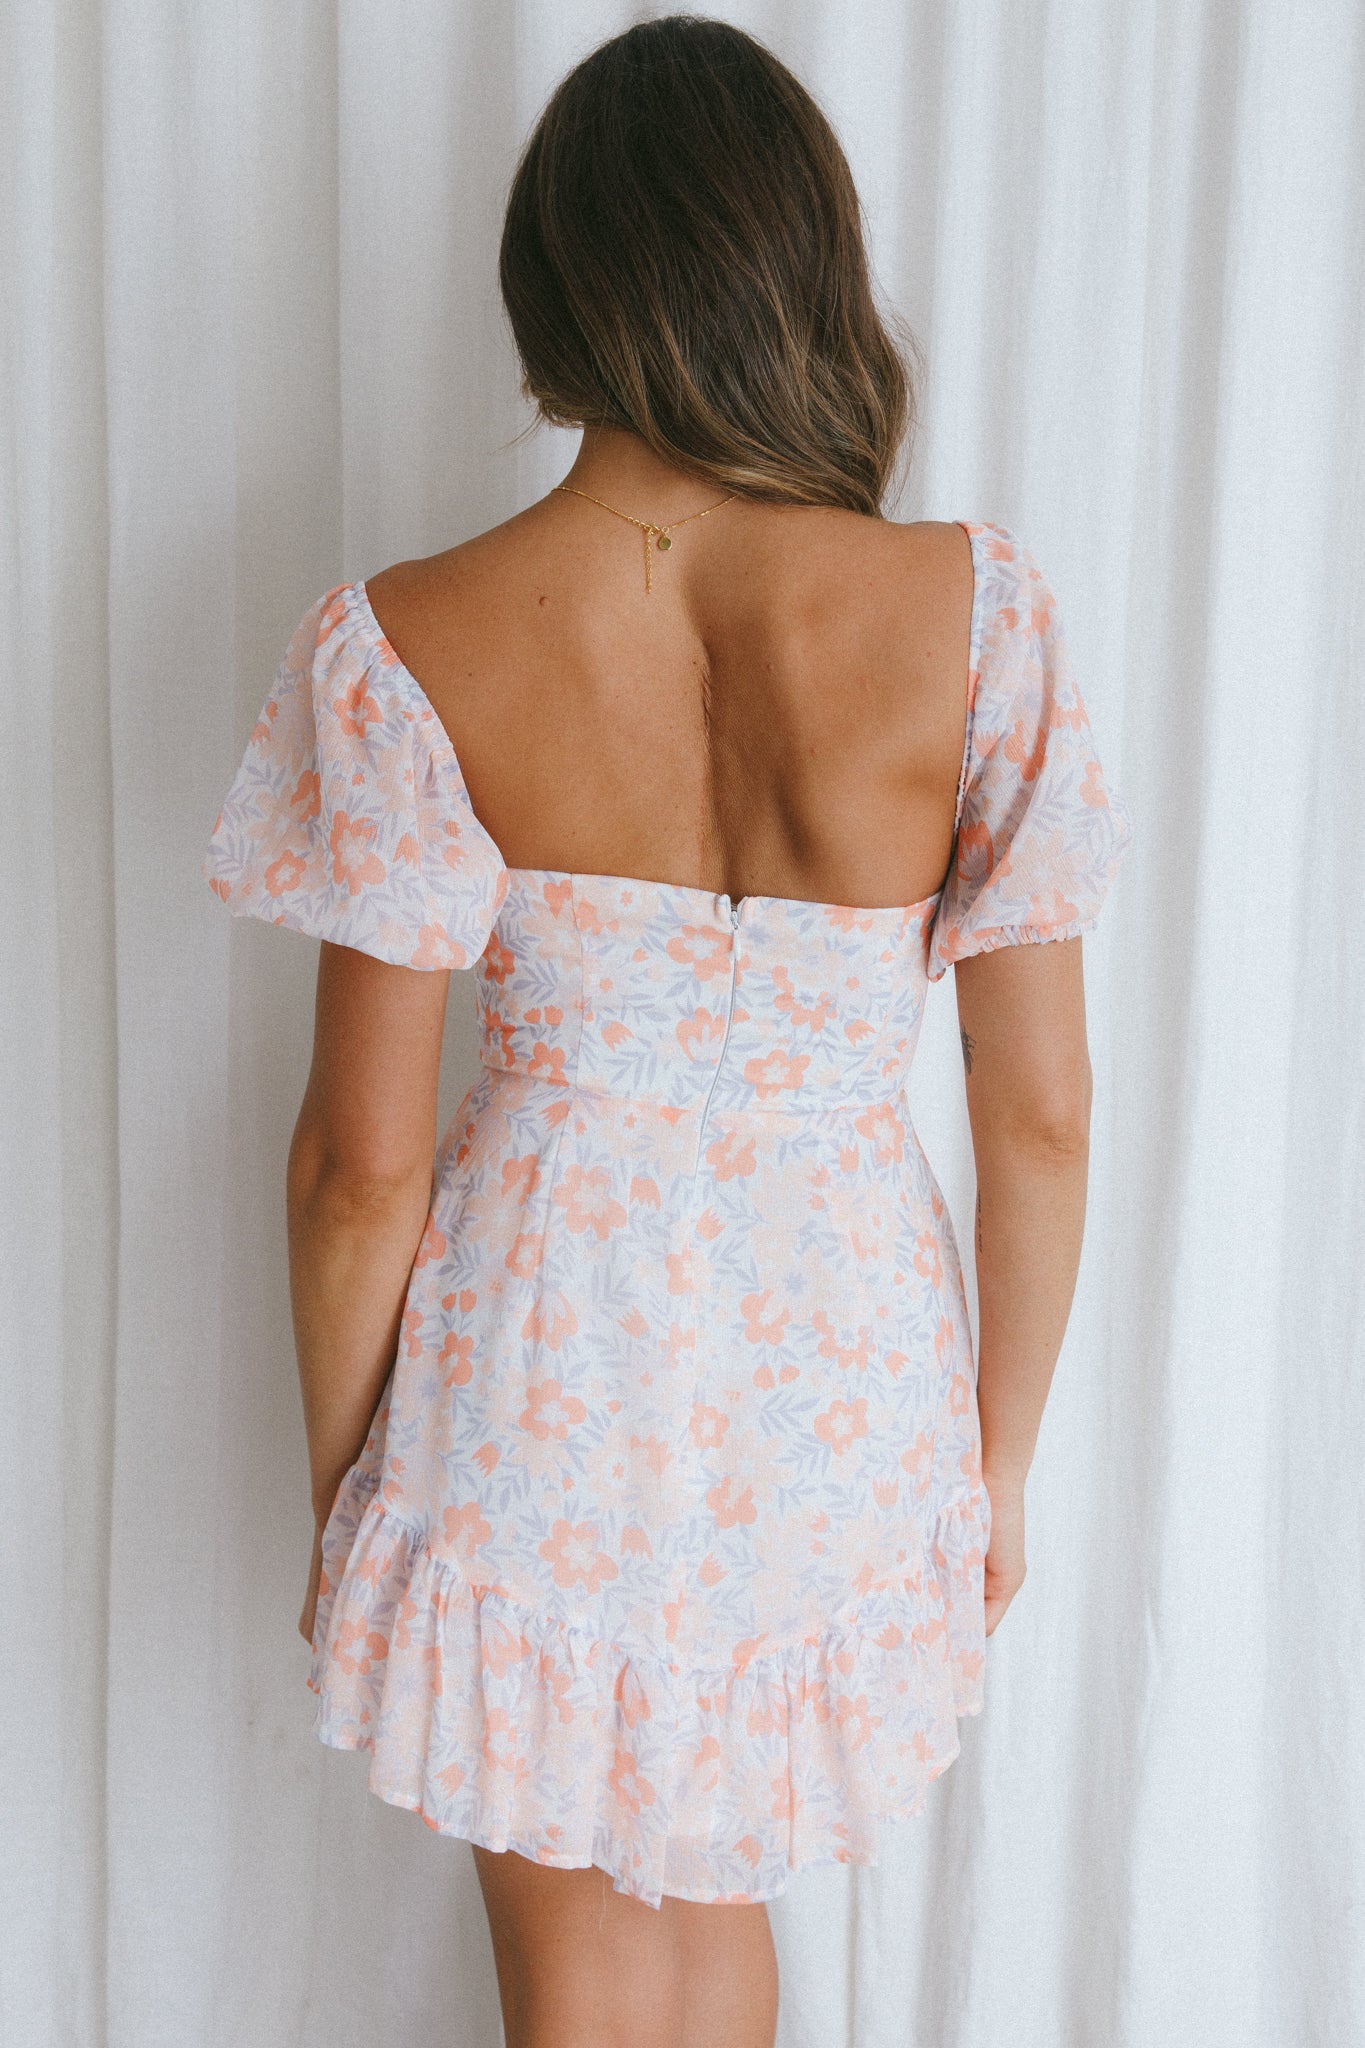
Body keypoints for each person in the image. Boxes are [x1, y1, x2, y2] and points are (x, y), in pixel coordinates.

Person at [203, 17, 1131, 2047]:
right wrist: (993, 1463)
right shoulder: (974, 617)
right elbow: (1042, 1116)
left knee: (576, 1971)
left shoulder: (407, 640)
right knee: (710, 1924)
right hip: (842, 1373)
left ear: (554, 280)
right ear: (799, 267)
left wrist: (347, 1474)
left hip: (538, 1360)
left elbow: (356, 1163)